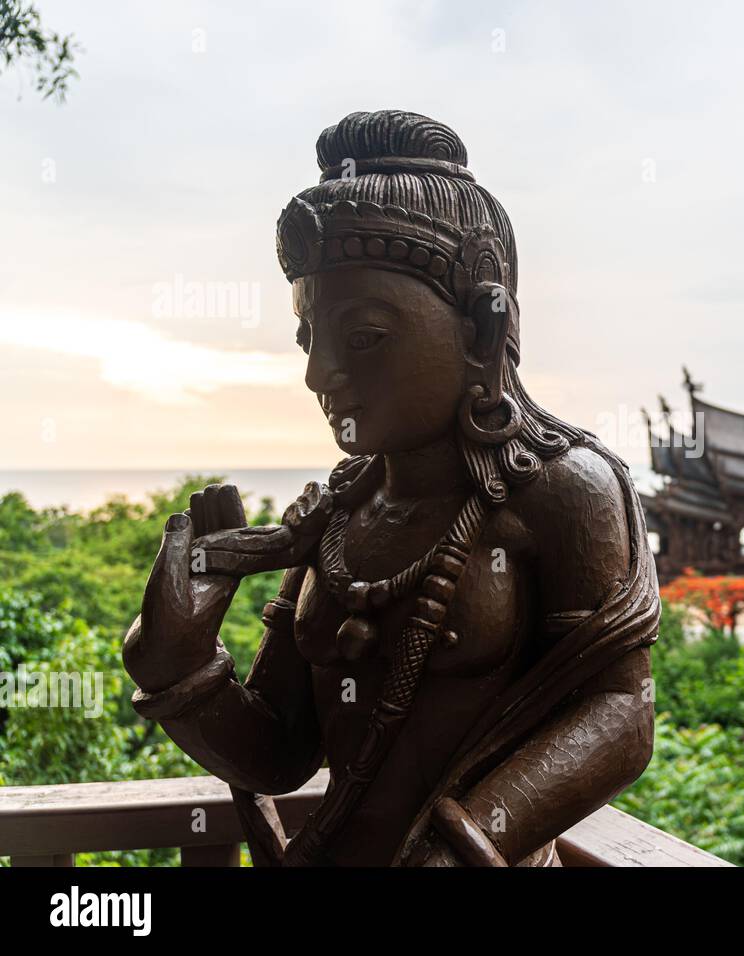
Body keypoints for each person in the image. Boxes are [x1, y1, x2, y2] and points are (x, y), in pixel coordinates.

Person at [122, 111, 659, 866]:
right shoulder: (340, 514)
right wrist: (180, 659)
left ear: (479, 327)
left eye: (363, 338)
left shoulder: (562, 489)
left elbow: (621, 714)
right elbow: (279, 754)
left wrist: (464, 844)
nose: (318, 376)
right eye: (310, 340)